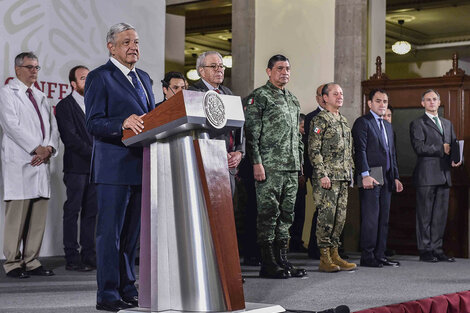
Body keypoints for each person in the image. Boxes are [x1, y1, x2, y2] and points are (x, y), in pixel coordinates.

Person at [85, 22, 155, 312]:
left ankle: (128, 288)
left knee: (130, 238)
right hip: (113, 169)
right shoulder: (100, 77)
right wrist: (121, 123)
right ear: (111, 47)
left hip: (141, 167)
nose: (133, 47)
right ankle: (108, 294)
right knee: (109, 235)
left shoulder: (145, 78)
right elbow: (93, 122)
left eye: (136, 41)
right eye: (126, 42)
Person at [245, 54, 306, 279]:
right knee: (268, 214)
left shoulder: (292, 99)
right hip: (269, 166)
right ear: (269, 71)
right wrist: (256, 163)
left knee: (286, 216)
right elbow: (251, 134)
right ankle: (268, 262)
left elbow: (297, 136)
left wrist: (299, 162)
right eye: (280, 68)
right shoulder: (259, 97)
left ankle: (282, 259)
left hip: (289, 167)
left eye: (288, 68)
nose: (285, 72)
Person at [0, 51, 59, 279]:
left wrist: (49, 149)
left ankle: (32, 260)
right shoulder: (7, 93)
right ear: (17, 69)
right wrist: (37, 148)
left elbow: (53, 128)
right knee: (17, 216)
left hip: (41, 162)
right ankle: (13, 262)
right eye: (29, 67)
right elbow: (11, 126)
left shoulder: (41, 96)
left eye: (36, 67)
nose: (34, 71)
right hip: (22, 161)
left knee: (37, 215)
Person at [351, 89, 403, 268]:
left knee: (384, 219)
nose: (382, 105)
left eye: (385, 101)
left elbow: (392, 153)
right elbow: (360, 150)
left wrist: (395, 176)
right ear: (370, 103)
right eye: (378, 101)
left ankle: (380, 255)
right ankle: (368, 256)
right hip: (371, 175)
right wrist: (364, 174)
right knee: (371, 218)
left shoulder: (388, 125)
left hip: (387, 177)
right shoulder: (362, 122)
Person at [308, 83, 356, 272]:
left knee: (340, 218)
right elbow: (314, 150)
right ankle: (324, 257)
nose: (340, 96)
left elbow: (349, 151)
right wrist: (322, 174)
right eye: (335, 94)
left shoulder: (343, 120)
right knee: (326, 218)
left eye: (341, 93)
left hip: (342, 177)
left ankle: (335, 253)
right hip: (327, 178)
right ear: (324, 98)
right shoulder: (320, 120)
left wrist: (350, 173)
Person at [410, 89, 460, 263]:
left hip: (445, 174)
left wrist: (455, 159)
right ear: (422, 103)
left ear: (439, 102)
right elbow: (419, 147)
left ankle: (437, 249)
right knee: (424, 215)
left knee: (440, 215)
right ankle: (425, 250)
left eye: (434, 99)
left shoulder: (447, 123)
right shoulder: (418, 123)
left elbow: (452, 144)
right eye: (428, 100)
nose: (432, 102)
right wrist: (441, 149)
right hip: (426, 175)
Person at [55, 65, 97, 272]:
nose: (87, 82)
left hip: (95, 168)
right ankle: (72, 256)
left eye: (89, 77)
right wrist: (96, 154)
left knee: (91, 213)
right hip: (76, 168)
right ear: (73, 84)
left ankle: (89, 255)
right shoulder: (64, 106)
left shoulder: (95, 104)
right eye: (83, 78)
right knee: (72, 211)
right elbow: (70, 138)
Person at [188, 51, 244, 195]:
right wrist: (217, 152)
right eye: (213, 66)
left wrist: (239, 152)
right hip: (208, 163)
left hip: (230, 164)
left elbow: (240, 126)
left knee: (229, 212)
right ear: (201, 70)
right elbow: (196, 130)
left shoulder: (228, 93)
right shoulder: (193, 93)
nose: (219, 69)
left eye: (221, 66)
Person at [303, 84, 325, 258]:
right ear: (318, 97)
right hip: (317, 170)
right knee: (321, 208)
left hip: (335, 171)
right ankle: (315, 247)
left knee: (331, 211)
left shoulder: (337, 117)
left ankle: (330, 247)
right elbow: (311, 147)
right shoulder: (312, 118)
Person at [289, 113, 308, 252]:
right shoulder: (291, 139)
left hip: (302, 181)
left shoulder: (305, 139)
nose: (304, 129)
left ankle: (297, 241)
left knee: (300, 213)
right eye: (302, 126)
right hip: (291, 180)